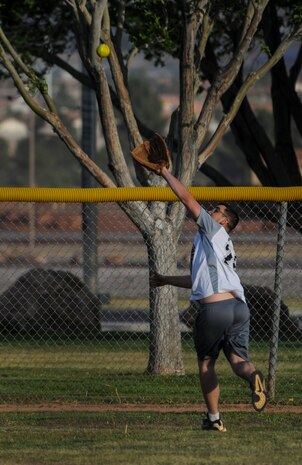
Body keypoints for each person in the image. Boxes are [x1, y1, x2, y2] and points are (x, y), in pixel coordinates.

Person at [150, 165, 267, 433]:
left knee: (206, 364)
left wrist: (165, 173)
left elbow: (187, 200)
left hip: (215, 310)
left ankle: (214, 419)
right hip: (239, 308)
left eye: (216, 210)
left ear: (223, 221)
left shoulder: (213, 230)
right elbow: (198, 280)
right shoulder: (219, 243)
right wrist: (166, 279)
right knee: (238, 361)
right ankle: (253, 377)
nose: (211, 211)